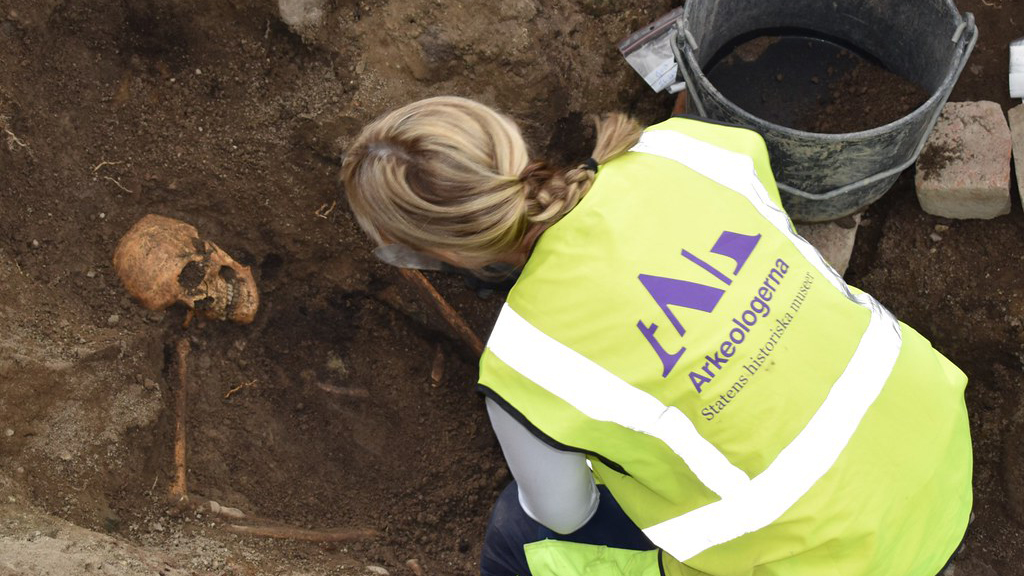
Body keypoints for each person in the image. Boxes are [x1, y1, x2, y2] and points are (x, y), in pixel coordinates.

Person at [341, 96, 973, 576]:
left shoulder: (525, 362)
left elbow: (565, 514)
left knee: (517, 531)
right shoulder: (689, 148)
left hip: (843, 559)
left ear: (433, 251)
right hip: (939, 452)